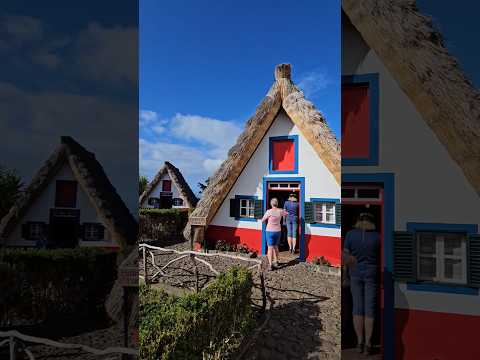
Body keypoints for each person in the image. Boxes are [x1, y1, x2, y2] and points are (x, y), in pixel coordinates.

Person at [343, 212, 380, 356]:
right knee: (369, 309)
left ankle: (359, 341)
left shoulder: (351, 235)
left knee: (357, 308)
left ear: (358, 220)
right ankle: (368, 343)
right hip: (371, 273)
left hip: (355, 273)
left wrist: (345, 275)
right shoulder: (378, 236)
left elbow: (346, 257)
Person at [262, 198, 288, 271]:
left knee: (270, 248)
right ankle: (276, 261)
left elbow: (263, 220)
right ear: (277, 204)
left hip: (269, 231)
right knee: (276, 247)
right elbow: (287, 213)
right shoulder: (280, 211)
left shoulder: (269, 211)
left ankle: (270, 265)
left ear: (271, 204)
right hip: (278, 231)